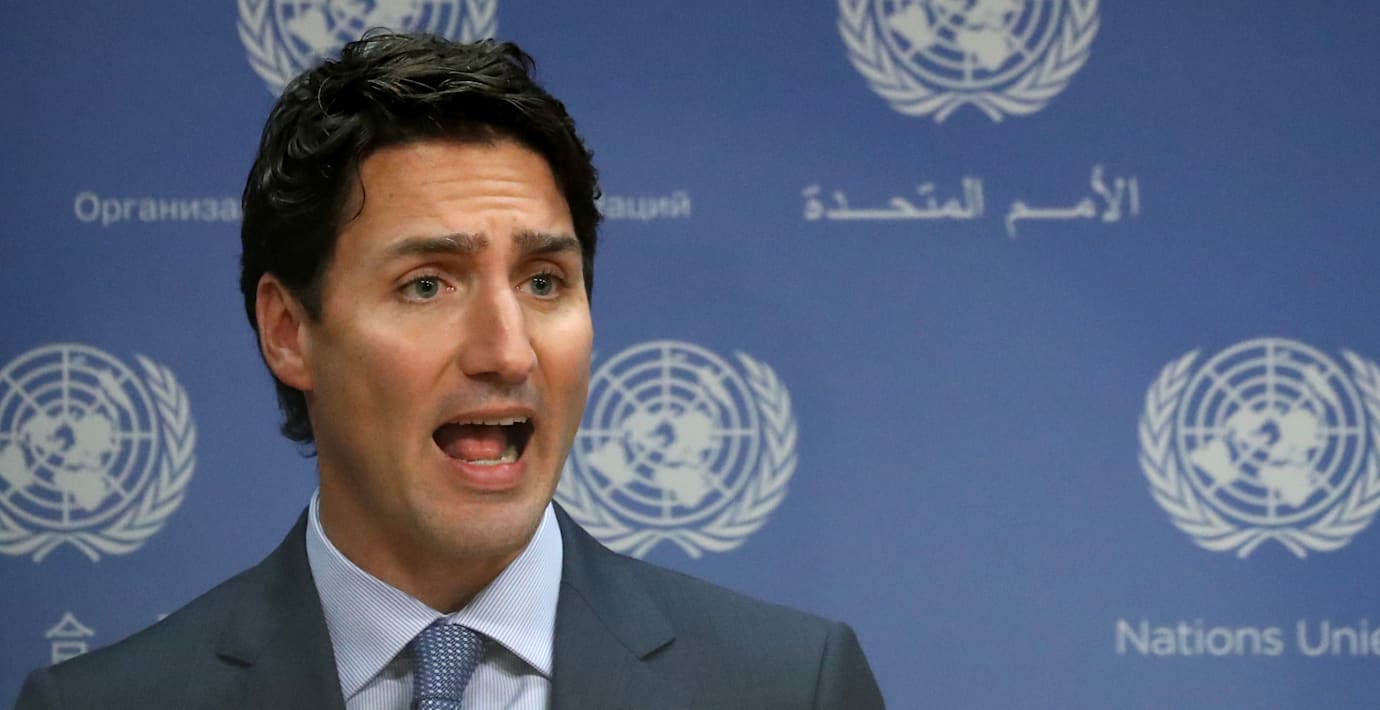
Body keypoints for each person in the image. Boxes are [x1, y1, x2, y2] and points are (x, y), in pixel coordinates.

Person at [15, 33, 884, 709]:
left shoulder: (791, 685)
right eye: (428, 284)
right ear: (289, 332)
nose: (507, 351)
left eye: (544, 282)